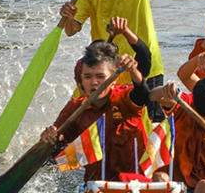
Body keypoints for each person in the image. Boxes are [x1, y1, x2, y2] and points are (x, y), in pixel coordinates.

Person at [40, 26, 163, 182]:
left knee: (162, 178)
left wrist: (133, 71)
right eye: (88, 77)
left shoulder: (125, 99)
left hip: (135, 183)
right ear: (81, 81)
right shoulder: (75, 108)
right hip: (96, 186)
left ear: (114, 79)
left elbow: (142, 93)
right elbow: (57, 154)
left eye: (100, 76)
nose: (94, 83)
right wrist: (48, 140)